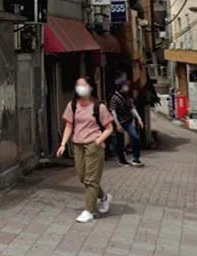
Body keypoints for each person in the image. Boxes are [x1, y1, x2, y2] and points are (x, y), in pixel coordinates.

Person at [56, 77, 115, 223]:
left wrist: (98, 141)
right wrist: (63, 144)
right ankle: (104, 197)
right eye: (78, 85)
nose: (80, 88)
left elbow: (109, 128)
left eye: (83, 85)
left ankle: (89, 210)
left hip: (93, 145)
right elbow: (69, 125)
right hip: (78, 145)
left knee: (91, 179)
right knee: (83, 177)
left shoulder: (99, 107)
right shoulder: (72, 105)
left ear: (91, 88)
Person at [110, 77, 144, 167]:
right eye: (125, 85)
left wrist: (139, 119)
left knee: (135, 137)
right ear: (120, 86)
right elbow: (113, 112)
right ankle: (122, 160)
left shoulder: (127, 96)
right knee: (120, 142)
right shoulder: (114, 98)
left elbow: (132, 108)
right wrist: (117, 124)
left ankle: (136, 159)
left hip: (128, 121)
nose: (127, 87)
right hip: (119, 122)